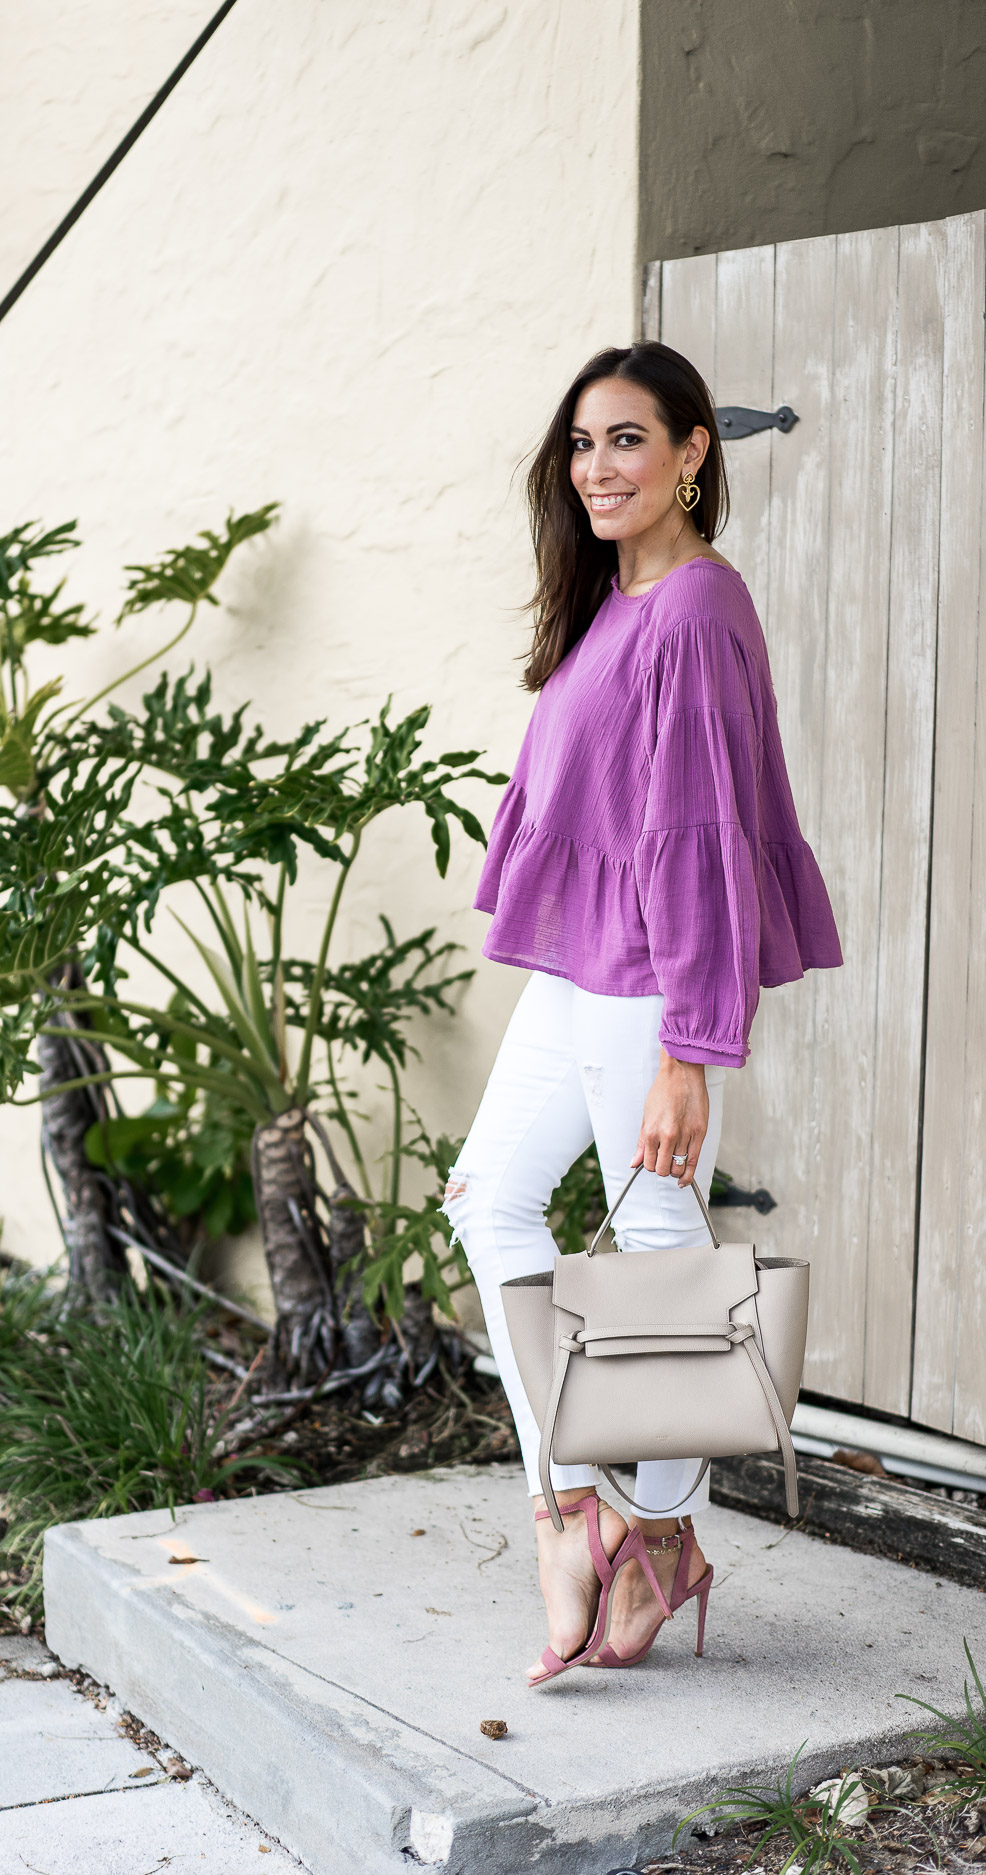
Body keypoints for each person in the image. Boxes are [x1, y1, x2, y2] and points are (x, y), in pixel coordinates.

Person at [442, 341, 841, 1686]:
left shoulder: (698, 607)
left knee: (663, 1249)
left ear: (691, 453)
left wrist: (689, 1048)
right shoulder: (612, 603)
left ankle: (658, 1534)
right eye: (580, 443)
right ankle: (570, 1511)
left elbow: (706, 835)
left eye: (626, 439)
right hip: (579, 971)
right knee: (490, 1199)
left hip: (647, 985)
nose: (596, 467)